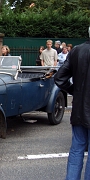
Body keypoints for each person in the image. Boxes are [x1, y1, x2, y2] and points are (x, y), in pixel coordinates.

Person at [54, 27, 90, 180]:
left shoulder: (76, 51)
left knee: (77, 149)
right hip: (82, 107)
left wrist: (75, 91)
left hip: (79, 109)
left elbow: (59, 77)